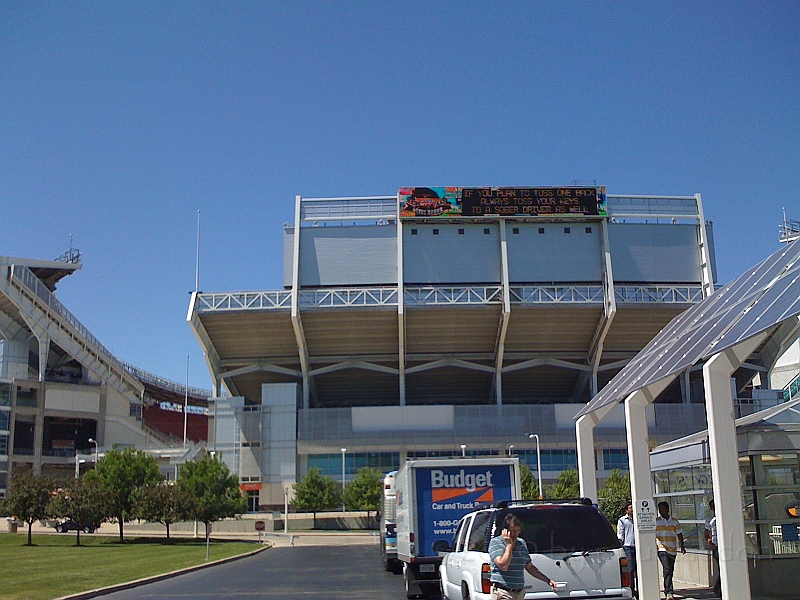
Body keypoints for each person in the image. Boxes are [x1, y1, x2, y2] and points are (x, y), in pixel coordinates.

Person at [488, 513, 558, 599]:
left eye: (518, 531)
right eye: (513, 531)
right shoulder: (496, 543)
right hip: (503, 591)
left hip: (519, 593)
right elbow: (503, 566)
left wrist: (547, 580)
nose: (515, 535)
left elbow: (530, 567)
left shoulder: (521, 543)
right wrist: (509, 545)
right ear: (505, 531)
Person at [655, 501, 685, 600]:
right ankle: (669, 592)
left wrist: (682, 546)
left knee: (670, 570)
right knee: (667, 568)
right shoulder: (656, 521)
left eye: (662, 508)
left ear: (667, 509)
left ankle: (667, 587)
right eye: (659, 509)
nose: (660, 511)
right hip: (661, 548)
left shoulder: (674, 521)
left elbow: (679, 534)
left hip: (672, 549)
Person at [617, 502, 637, 596]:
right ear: (626, 510)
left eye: (633, 507)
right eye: (630, 508)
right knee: (631, 569)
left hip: (638, 547)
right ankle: (632, 589)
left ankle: (640, 588)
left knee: (639, 570)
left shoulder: (638, 519)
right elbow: (620, 534)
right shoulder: (622, 520)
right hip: (628, 547)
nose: (632, 509)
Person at [704, 499, 721, 598]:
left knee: (724, 569)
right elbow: (706, 534)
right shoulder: (710, 520)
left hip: (726, 546)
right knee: (721, 568)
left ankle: (718, 588)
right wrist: (710, 542)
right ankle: (718, 588)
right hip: (717, 547)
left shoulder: (724, 518)